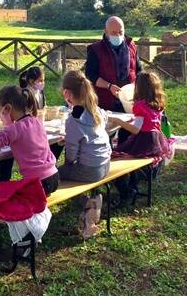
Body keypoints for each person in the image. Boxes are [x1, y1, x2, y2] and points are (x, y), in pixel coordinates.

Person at [0, 86, 59, 196]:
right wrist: (9, 124)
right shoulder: (36, 121)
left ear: (7, 109)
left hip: (37, 183)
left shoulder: (13, 130)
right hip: (54, 177)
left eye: (0, 111)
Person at [109, 72, 174, 203]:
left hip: (143, 141)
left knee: (114, 158)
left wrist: (117, 120)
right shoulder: (156, 103)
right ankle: (132, 184)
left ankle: (126, 192)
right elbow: (147, 121)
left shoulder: (139, 105)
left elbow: (136, 129)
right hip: (155, 140)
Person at [85, 16, 142, 146]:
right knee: (104, 134)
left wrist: (135, 86)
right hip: (105, 99)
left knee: (127, 132)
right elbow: (90, 75)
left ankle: (124, 154)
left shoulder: (131, 46)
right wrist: (109, 86)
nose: (118, 35)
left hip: (128, 98)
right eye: (113, 33)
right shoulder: (95, 49)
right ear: (106, 32)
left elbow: (139, 70)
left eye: (120, 32)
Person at [57, 70, 112, 183]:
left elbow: (71, 157)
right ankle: (90, 199)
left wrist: (68, 142)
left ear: (67, 93)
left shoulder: (74, 119)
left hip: (90, 171)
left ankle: (85, 201)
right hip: (105, 164)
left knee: (52, 177)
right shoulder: (96, 110)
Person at [19, 66, 64, 160]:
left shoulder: (40, 92)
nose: (42, 83)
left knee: (60, 138)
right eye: (40, 80)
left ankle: (51, 161)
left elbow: (43, 108)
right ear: (31, 81)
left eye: (43, 80)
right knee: (55, 139)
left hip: (41, 124)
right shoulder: (25, 94)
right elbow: (25, 116)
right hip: (30, 128)